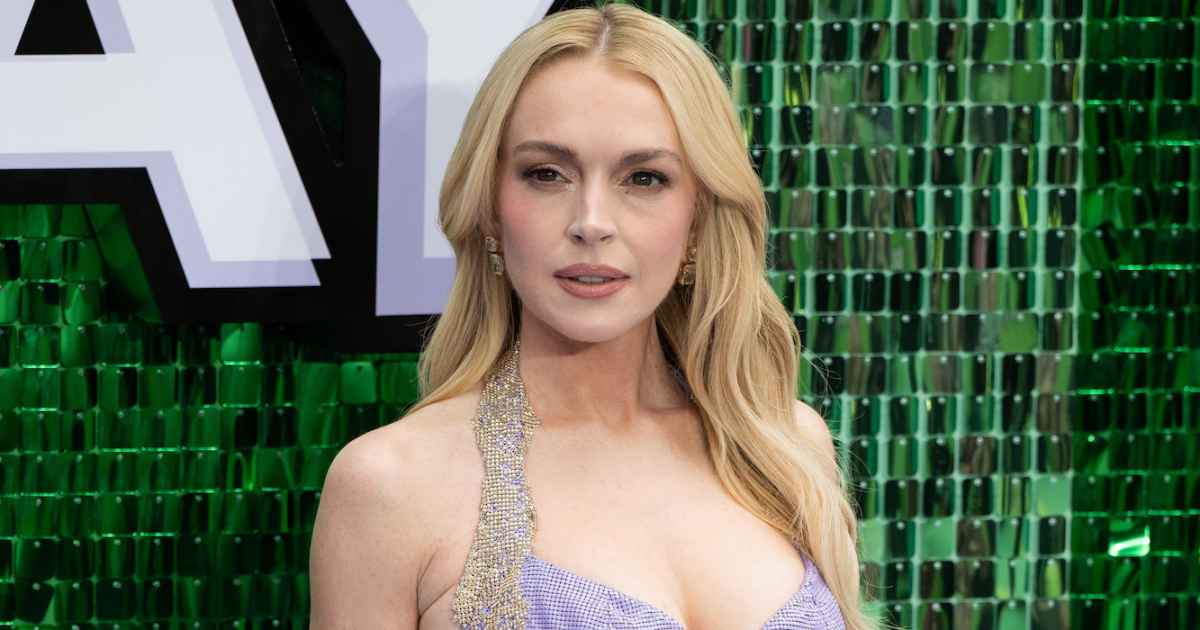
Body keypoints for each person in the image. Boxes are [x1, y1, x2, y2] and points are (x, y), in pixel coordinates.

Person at [309, 3, 880, 629]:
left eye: (644, 178)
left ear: (697, 219)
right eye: (547, 174)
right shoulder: (391, 486)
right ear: (491, 206)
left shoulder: (783, 446)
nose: (592, 223)